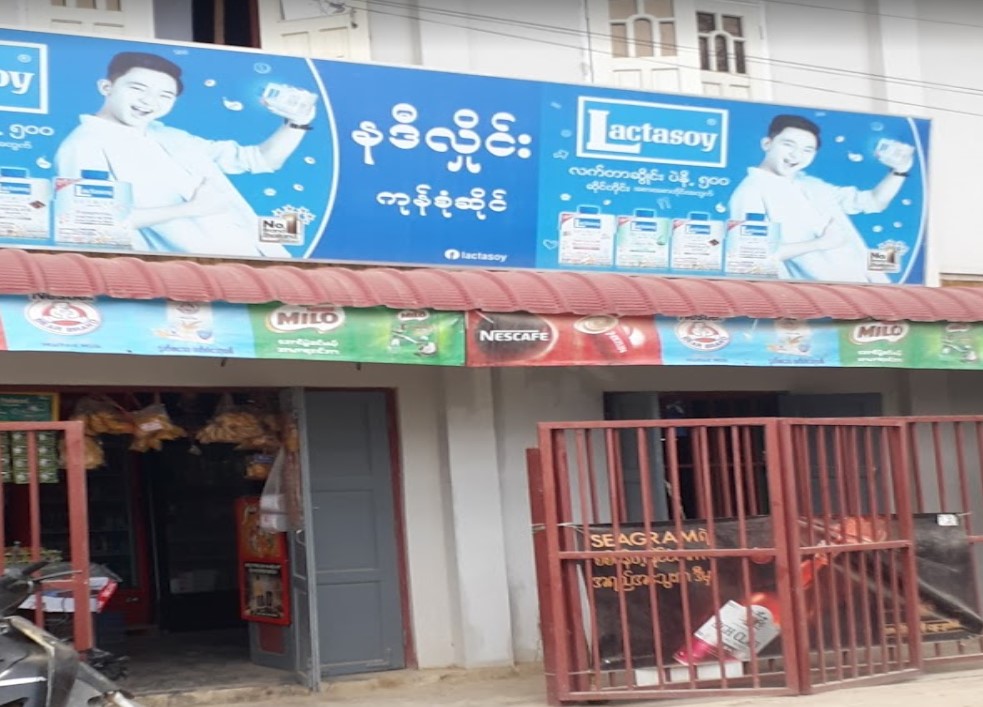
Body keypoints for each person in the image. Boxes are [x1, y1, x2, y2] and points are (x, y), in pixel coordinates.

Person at [54, 51, 318, 258]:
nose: (150, 101)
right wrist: (190, 209)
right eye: (137, 88)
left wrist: (298, 122)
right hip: (192, 278)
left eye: (165, 95)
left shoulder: (171, 136)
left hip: (262, 261)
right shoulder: (83, 145)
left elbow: (261, 159)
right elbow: (87, 226)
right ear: (106, 87)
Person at [728, 114, 914, 283]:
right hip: (821, 299)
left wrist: (900, 170)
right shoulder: (750, 192)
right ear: (767, 144)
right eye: (788, 144)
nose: (796, 155)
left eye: (807, 150)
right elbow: (749, 259)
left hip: (871, 289)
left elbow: (873, 202)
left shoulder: (812, 184)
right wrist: (819, 244)